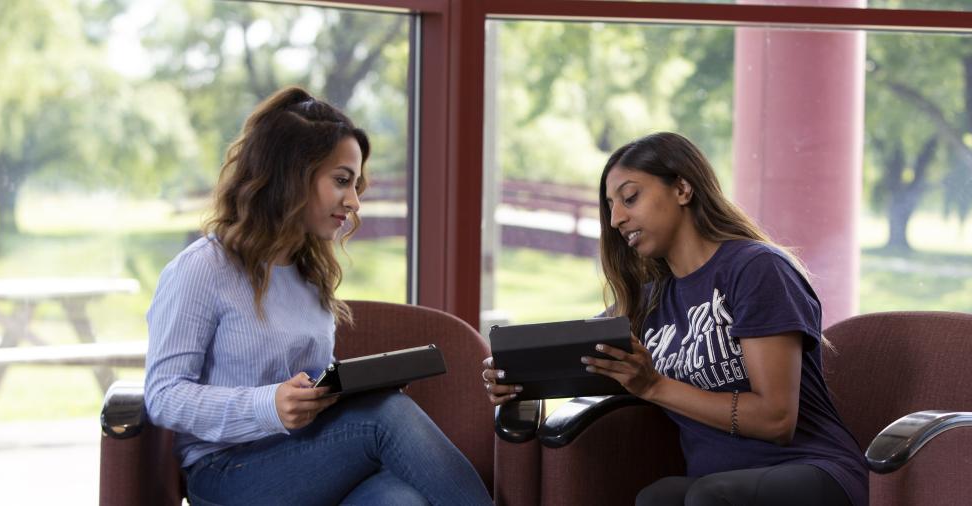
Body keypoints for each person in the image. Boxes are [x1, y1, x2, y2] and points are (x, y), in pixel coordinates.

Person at [145, 86, 492, 506]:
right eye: (342, 181)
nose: (355, 202)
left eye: (357, 184)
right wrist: (267, 404)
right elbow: (163, 396)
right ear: (292, 175)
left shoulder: (309, 271)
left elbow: (309, 386)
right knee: (386, 414)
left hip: (310, 457)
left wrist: (343, 391)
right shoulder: (203, 269)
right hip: (226, 471)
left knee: (402, 502)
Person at [482, 132, 868, 506]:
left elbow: (776, 419)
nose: (616, 218)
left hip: (812, 470)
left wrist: (653, 386)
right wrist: (513, 377)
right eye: (611, 206)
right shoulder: (647, 303)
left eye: (630, 197)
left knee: (706, 495)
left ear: (683, 189)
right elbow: (573, 355)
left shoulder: (756, 269)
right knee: (659, 496)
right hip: (715, 486)